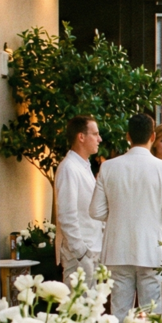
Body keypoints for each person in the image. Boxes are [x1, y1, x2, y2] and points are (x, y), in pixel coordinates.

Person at [89, 114, 162, 322]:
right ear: (152, 136)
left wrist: (118, 216)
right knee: (153, 312)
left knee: (120, 312)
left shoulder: (109, 167)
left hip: (118, 248)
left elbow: (96, 211)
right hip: (152, 249)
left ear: (128, 136)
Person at [55, 115, 104, 285]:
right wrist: (81, 252)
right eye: (95, 134)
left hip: (91, 251)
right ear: (81, 137)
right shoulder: (69, 167)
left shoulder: (83, 166)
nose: (100, 139)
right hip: (80, 257)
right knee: (78, 309)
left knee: (92, 308)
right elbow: (66, 214)